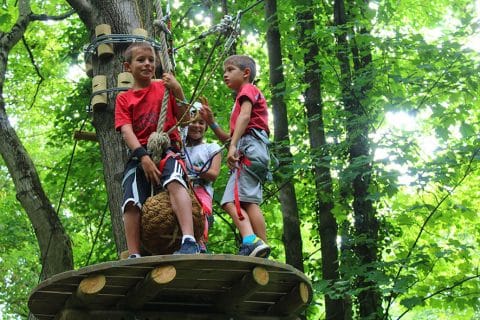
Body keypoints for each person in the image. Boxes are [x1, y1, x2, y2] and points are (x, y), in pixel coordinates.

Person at [115, 41, 199, 257]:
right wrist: (143, 157)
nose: (147, 64)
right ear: (128, 67)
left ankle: (189, 240)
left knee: (175, 181)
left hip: (167, 148)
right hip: (140, 153)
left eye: (151, 60)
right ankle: (134, 252)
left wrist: (178, 89)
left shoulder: (164, 88)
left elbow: (184, 120)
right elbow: (126, 131)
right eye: (141, 60)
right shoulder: (124, 98)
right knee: (131, 198)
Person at [199, 55, 271, 258]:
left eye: (230, 69)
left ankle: (251, 240)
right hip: (255, 150)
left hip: (248, 149)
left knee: (229, 201)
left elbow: (245, 118)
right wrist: (211, 122)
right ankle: (262, 246)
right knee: (249, 202)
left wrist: (232, 147)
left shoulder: (247, 90)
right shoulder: (247, 97)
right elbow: (229, 137)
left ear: (246, 73)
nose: (225, 74)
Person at [183, 103, 222, 252]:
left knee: (199, 212)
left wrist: (194, 169)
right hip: (184, 189)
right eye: (193, 121)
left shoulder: (212, 148)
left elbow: (213, 174)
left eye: (201, 122)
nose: (197, 126)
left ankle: (200, 243)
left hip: (201, 190)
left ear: (206, 126)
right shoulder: (180, 148)